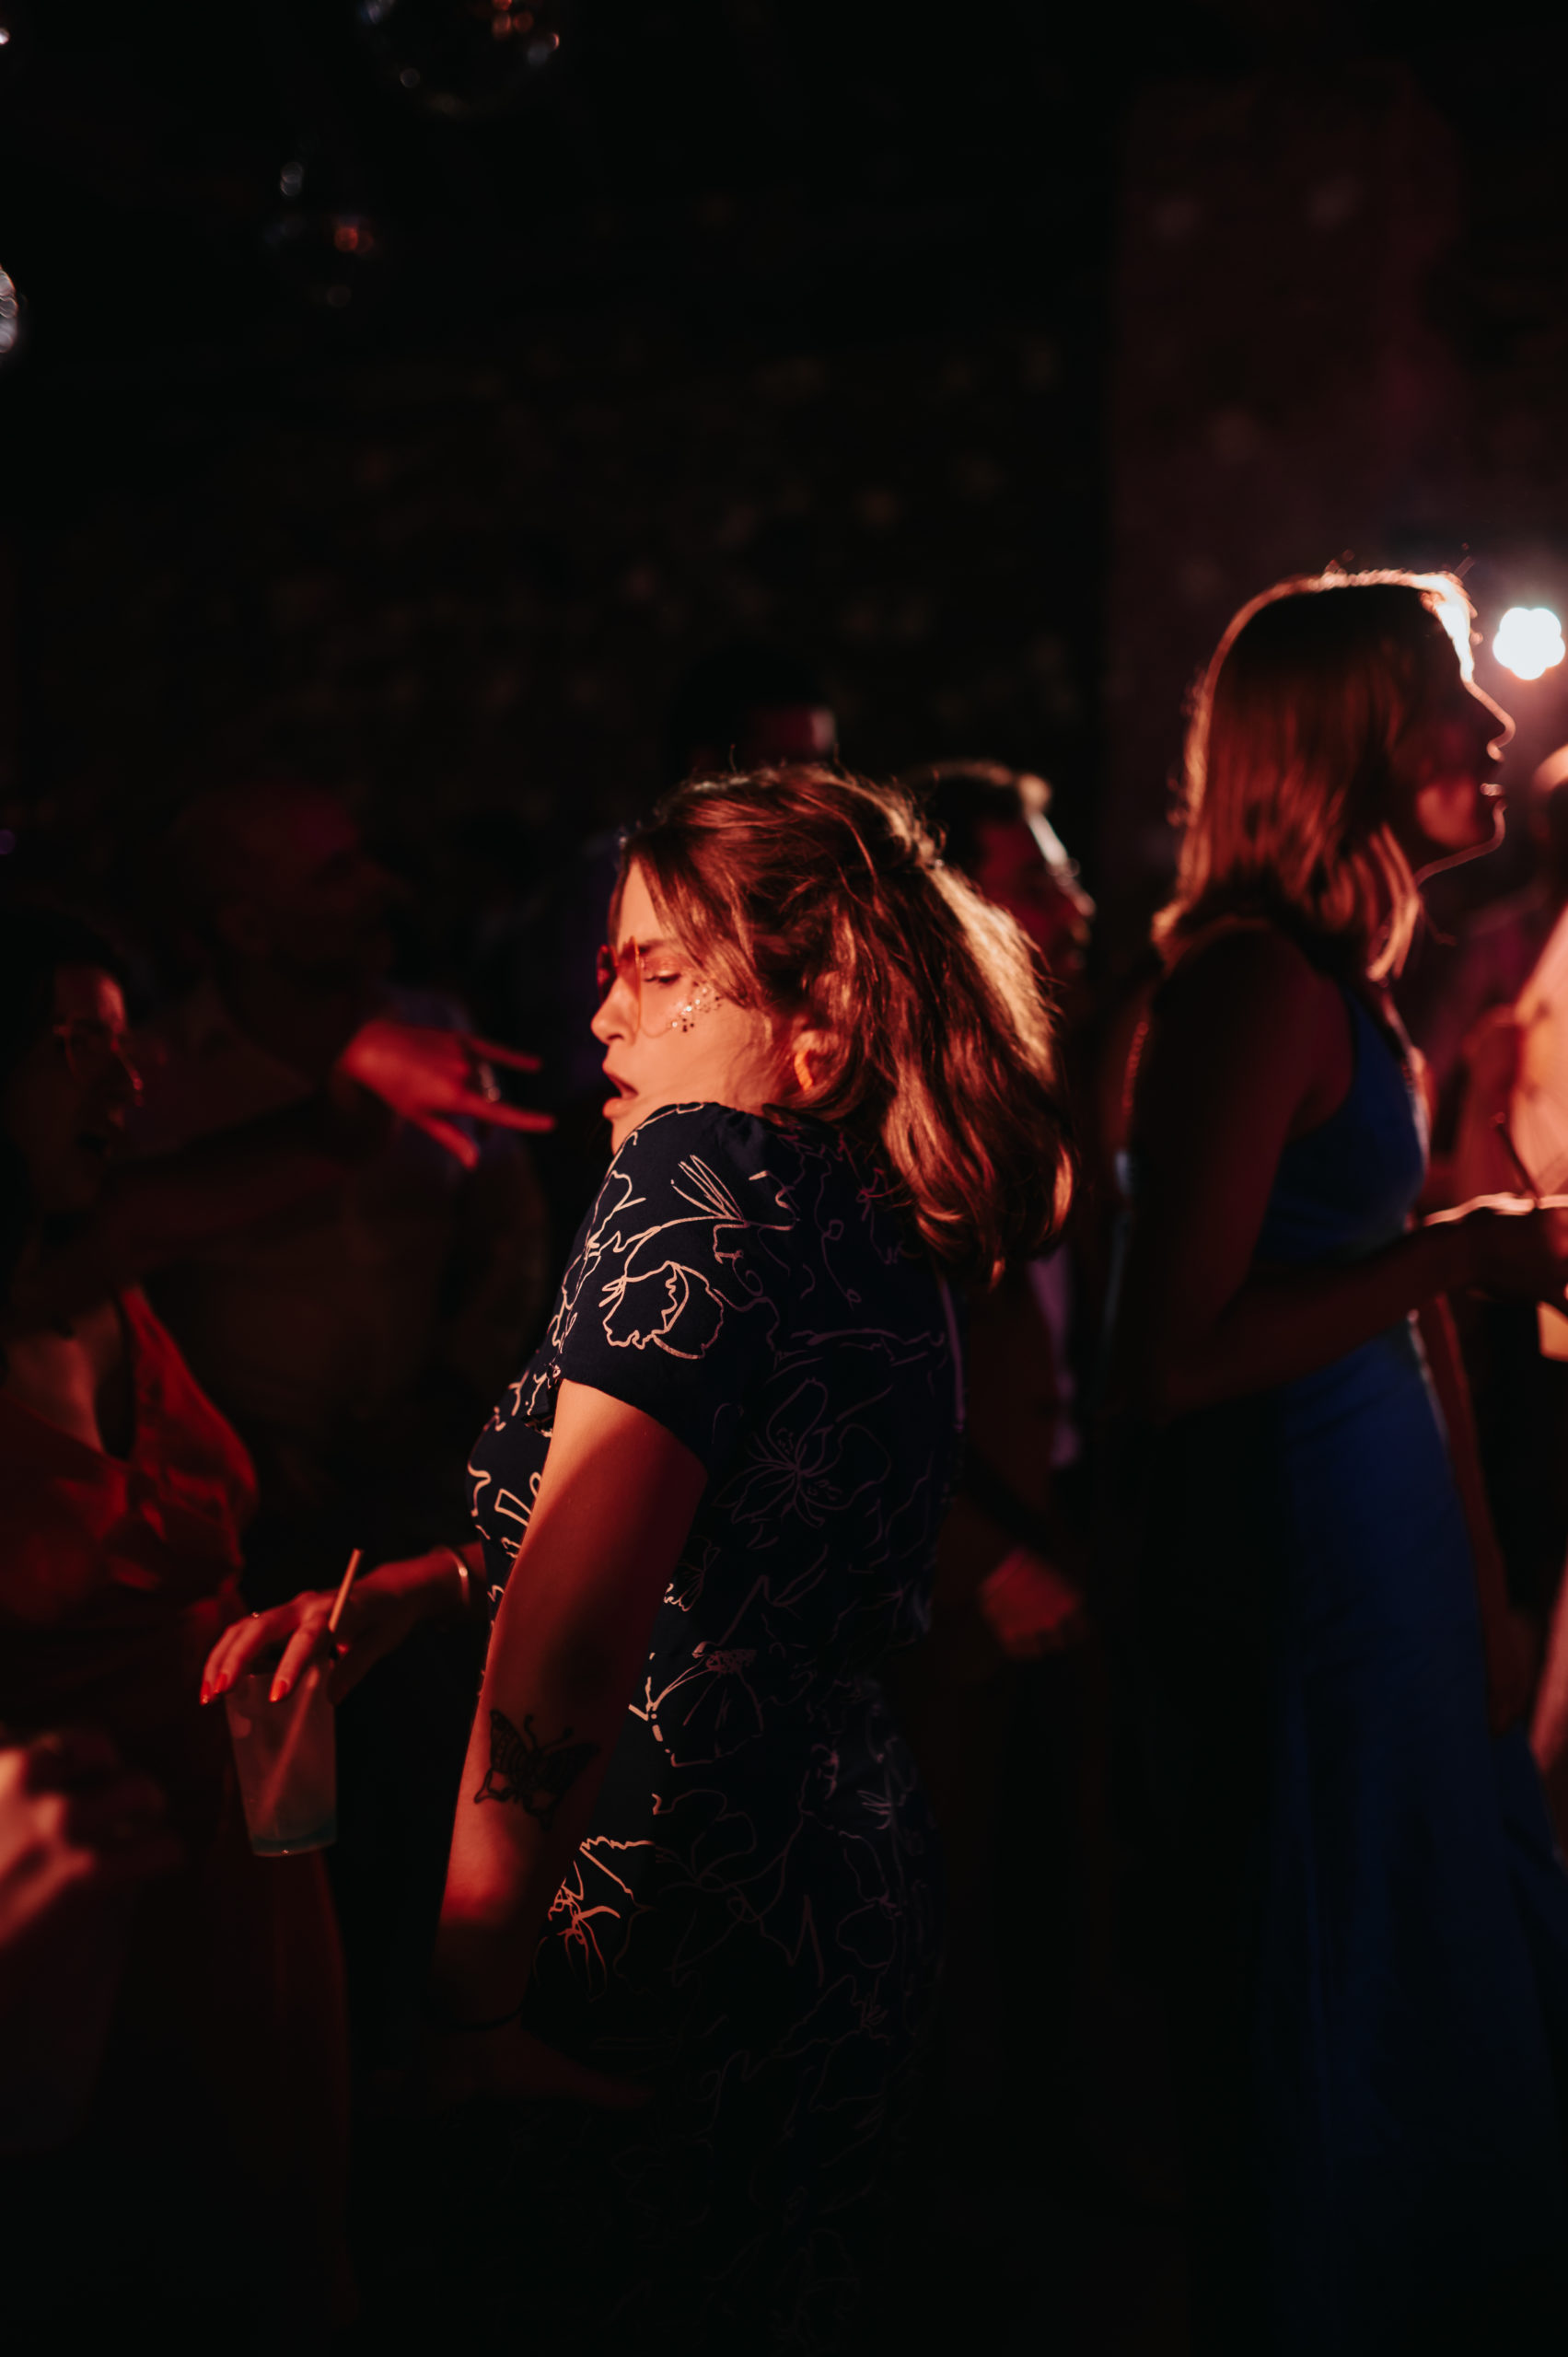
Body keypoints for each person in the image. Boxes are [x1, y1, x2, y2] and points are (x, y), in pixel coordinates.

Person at [205, 763, 1070, 2348]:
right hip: (847, 1872)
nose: (605, 1016)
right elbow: (695, 1507)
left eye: (662, 973)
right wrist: (422, 1584)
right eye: (608, 966)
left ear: (821, 1018)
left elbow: (577, 1633)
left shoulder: (699, 1175)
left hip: (672, 1893)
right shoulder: (858, 1195)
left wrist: (471, 2001)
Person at [1109, 570, 1568, 2353]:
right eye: (1452, 692)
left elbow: (1365, 1288)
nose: (1495, 728)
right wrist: (1459, 1252)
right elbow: (1172, 1355)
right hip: (1297, 1590)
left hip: (1385, 1582)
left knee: (1433, 1974)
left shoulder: (1337, 987)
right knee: (1340, 1994)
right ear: (1346, 734)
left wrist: (1477, 1583)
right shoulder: (1246, 988)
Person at [0, 909, 350, 2339]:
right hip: (69, 1896)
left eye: (124, 1044)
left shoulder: (113, 1289)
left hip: (256, 1843)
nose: (122, 1085)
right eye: (73, 1044)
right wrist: (348, 1108)